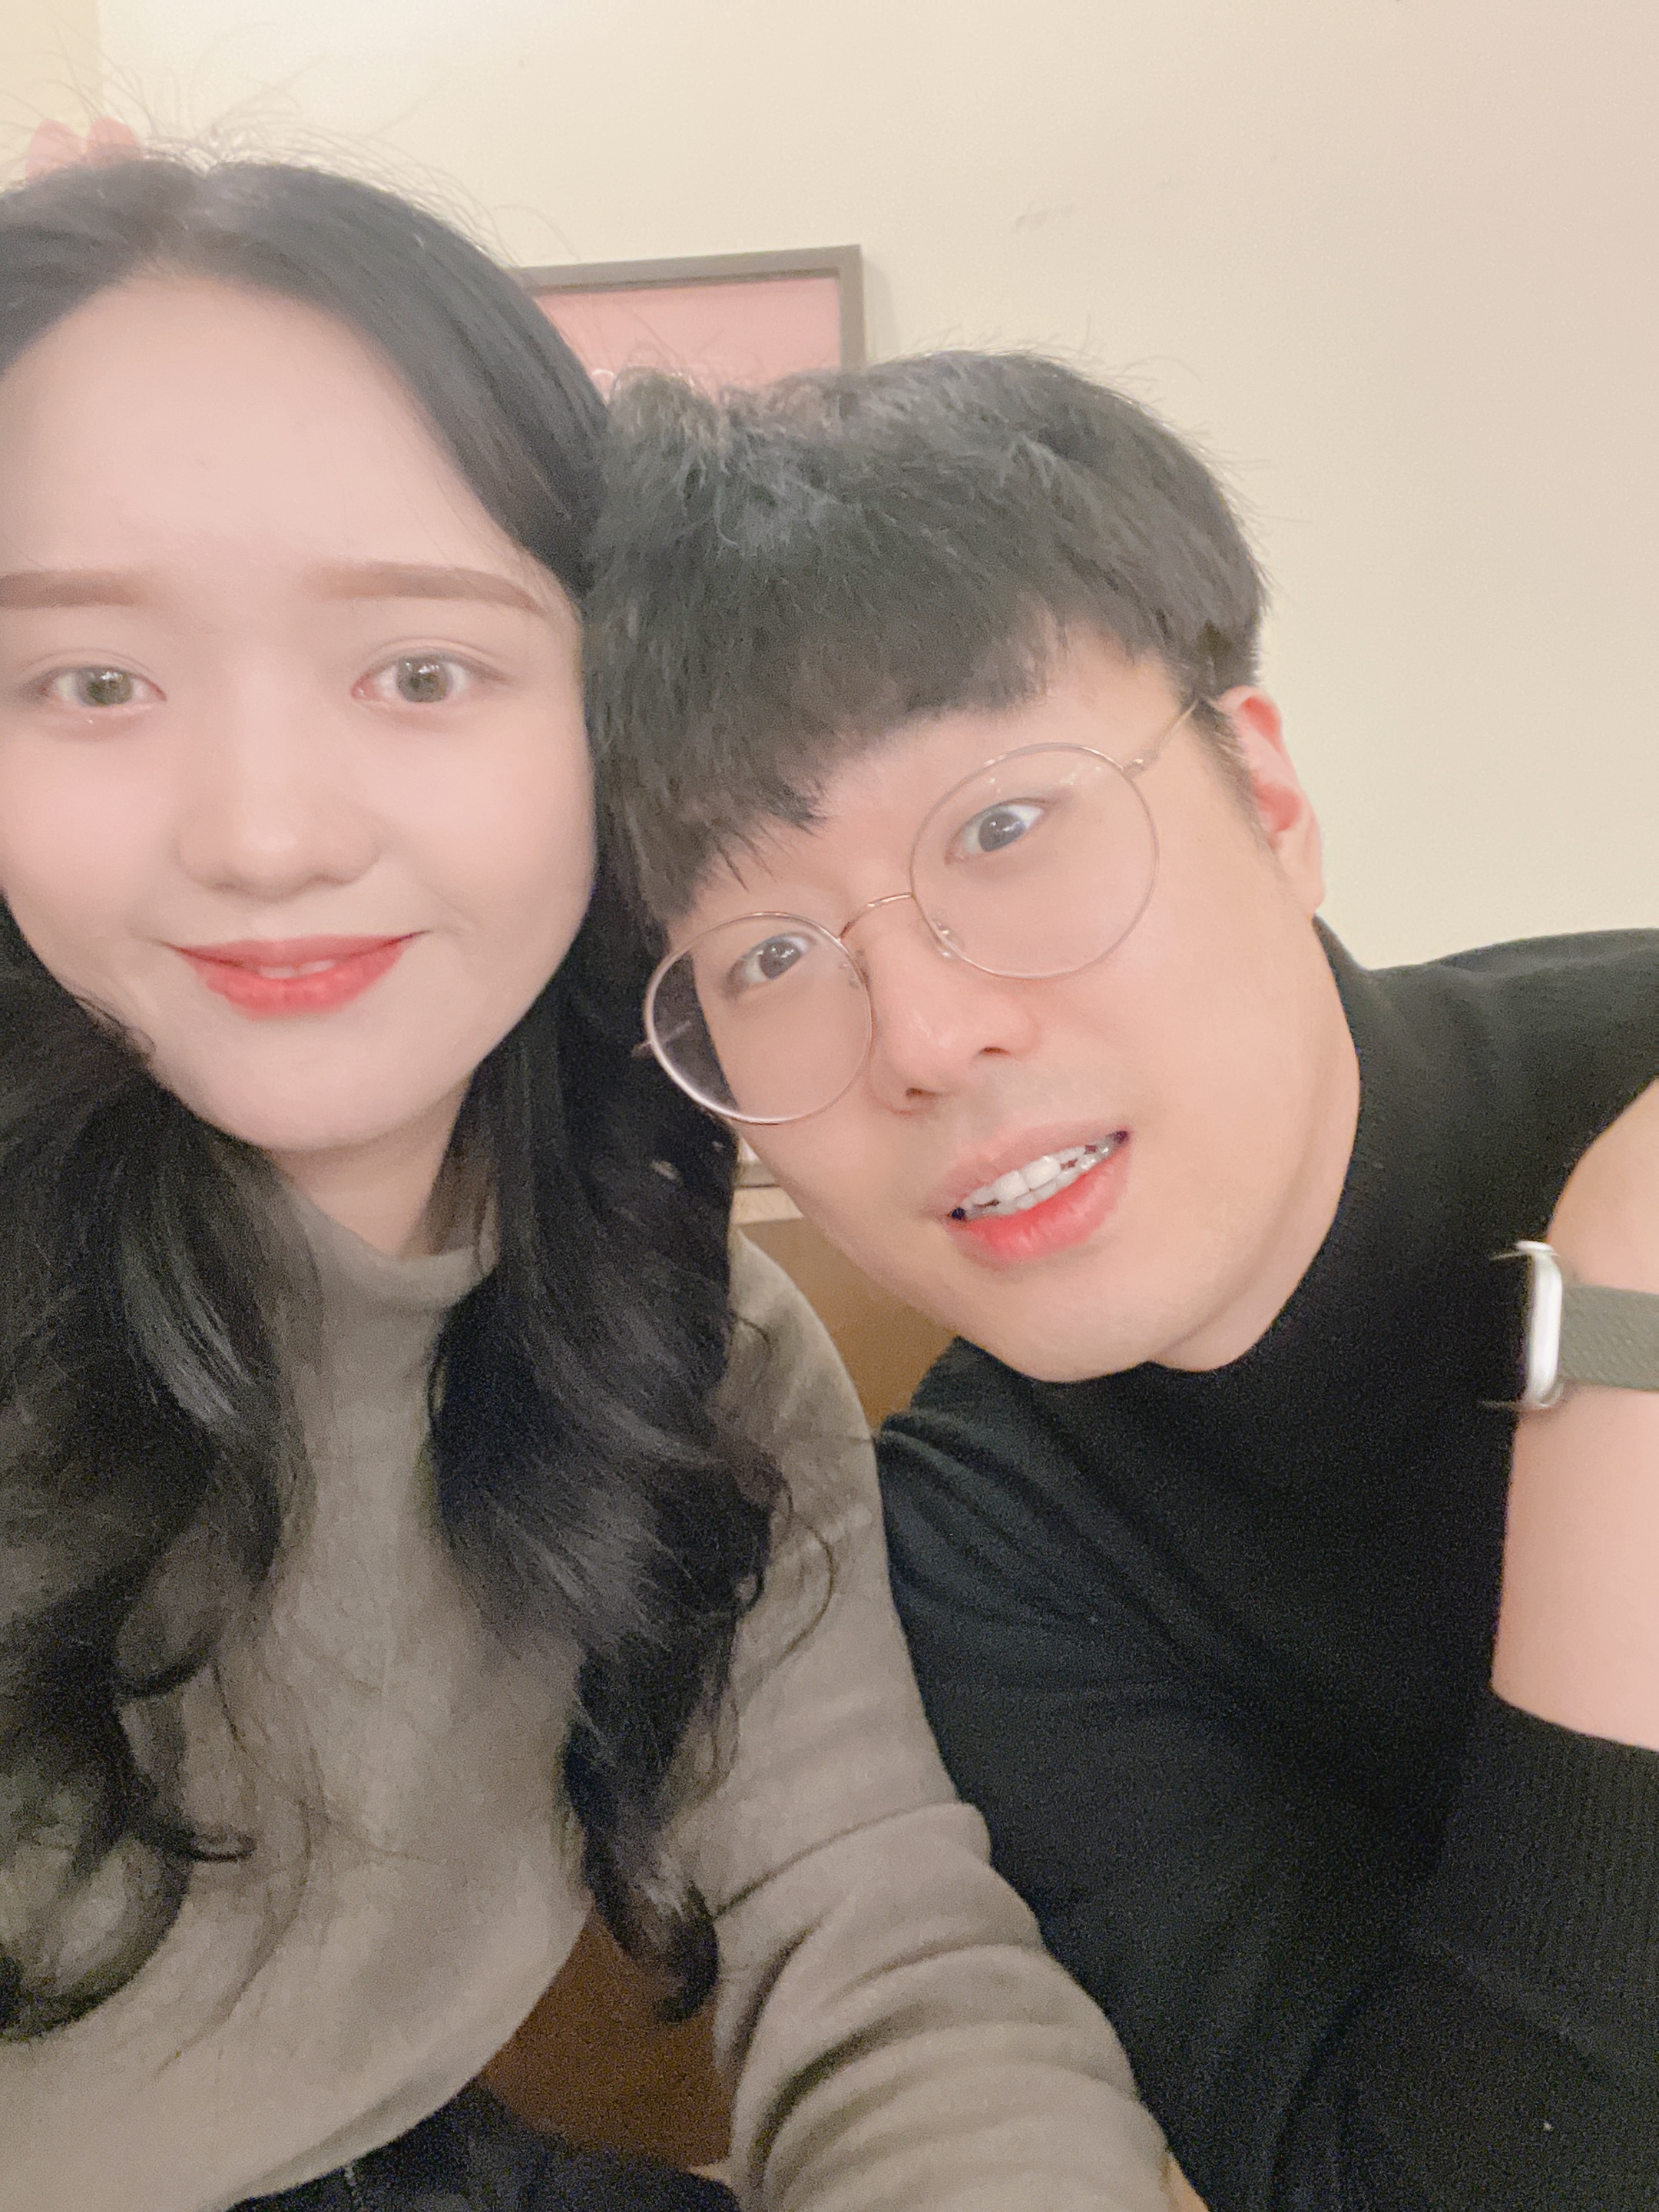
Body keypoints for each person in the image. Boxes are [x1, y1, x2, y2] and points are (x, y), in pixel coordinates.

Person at [0, 164, 1174, 2212]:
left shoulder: (685, 1333)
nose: (265, 835)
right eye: (92, 683)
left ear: (607, 719)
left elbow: (882, 1950)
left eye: (420, 671)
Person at [586, 354, 1659, 2212]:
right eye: (767, 957)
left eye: (1003, 829)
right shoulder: (976, 1560)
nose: (924, 1036)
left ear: (1268, 792)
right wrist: (1626, 1347)